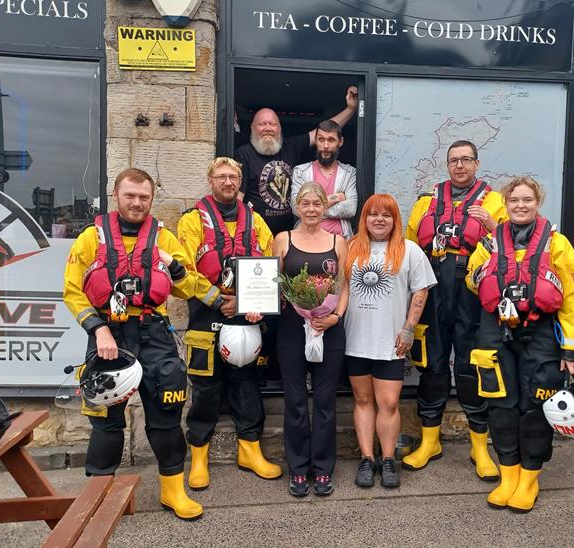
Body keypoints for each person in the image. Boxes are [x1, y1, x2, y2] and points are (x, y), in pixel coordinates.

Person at [63, 168, 212, 520]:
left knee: (166, 416)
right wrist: (98, 330)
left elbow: (188, 285)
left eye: (144, 197)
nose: (137, 203)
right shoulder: (90, 238)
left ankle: (173, 492)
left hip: (154, 334)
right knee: (106, 420)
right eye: (130, 195)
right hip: (107, 336)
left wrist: (178, 270)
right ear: (117, 195)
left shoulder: (164, 238)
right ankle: (100, 496)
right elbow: (72, 291)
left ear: (151, 199)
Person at [466, 176, 574, 513]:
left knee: (535, 407)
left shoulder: (557, 244)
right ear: (505, 204)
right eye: (514, 200)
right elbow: (472, 280)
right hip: (496, 329)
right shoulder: (490, 243)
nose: (520, 205)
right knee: (501, 405)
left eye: (527, 200)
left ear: (537, 203)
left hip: (542, 333)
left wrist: (571, 350)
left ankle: (529, 479)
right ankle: (508, 477)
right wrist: (487, 274)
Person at [403, 140, 506, 480]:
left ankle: (480, 447)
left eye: (466, 160)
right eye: (453, 161)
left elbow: (511, 249)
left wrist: (492, 226)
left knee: (470, 365)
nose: (459, 166)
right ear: (447, 165)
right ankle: (429, 440)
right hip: (433, 290)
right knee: (431, 363)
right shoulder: (426, 201)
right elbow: (409, 246)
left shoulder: (496, 202)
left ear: (477, 163)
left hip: (471, 292)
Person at [177, 157, 281, 491]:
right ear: (210, 180)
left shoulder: (258, 223)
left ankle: (250, 450)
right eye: (221, 176)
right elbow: (183, 271)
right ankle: (199, 457)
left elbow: (270, 268)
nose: (227, 181)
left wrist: (251, 303)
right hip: (206, 314)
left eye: (233, 176)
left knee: (247, 383)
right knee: (205, 389)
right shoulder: (192, 223)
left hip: (247, 315)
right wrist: (217, 299)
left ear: (240, 181)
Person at [343, 194, 436, 489]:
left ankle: (388, 459)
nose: (379, 220)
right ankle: (367, 459)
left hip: (391, 341)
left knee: (389, 402)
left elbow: (420, 291)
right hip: (355, 338)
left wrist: (409, 328)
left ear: (395, 219)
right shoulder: (351, 248)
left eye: (386, 215)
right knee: (362, 399)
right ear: (364, 218)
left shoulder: (409, 250)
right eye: (373, 214)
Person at [272, 182, 348, 497]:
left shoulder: (339, 241)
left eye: (317, 203)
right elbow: (272, 283)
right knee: (296, 401)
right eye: (306, 203)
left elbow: (343, 286)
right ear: (297, 207)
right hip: (292, 328)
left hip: (328, 329)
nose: (312, 209)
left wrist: (335, 316)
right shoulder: (283, 239)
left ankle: (323, 469)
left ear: (324, 207)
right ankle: (299, 469)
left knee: (326, 401)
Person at [234, 85, 359, 236]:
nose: (268, 128)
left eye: (272, 124)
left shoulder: (289, 147)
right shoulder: (243, 154)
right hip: (257, 234)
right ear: (253, 127)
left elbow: (324, 132)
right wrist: (333, 198)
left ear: (279, 128)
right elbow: (238, 200)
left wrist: (351, 109)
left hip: (288, 233)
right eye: (262, 124)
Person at [291, 119, 358, 239]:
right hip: (305, 239)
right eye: (321, 139)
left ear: (340, 142)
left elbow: (351, 209)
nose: (325, 145)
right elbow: (296, 208)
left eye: (331, 140)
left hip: (341, 240)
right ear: (316, 141)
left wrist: (310, 208)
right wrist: (335, 197)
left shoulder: (349, 173)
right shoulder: (301, 171)